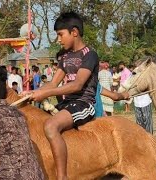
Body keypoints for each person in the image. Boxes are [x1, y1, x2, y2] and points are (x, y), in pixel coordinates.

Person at [24, 12, 99, 180]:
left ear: (74, 32)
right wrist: (33, 92)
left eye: (60, 34)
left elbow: (77, 85)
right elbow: (52, 83)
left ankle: (62, 176)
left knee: (50, 126)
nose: (58, 39)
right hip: (66, 105)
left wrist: (46, 93)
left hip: (83, 104)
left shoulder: (89, 55)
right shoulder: (65, 57)